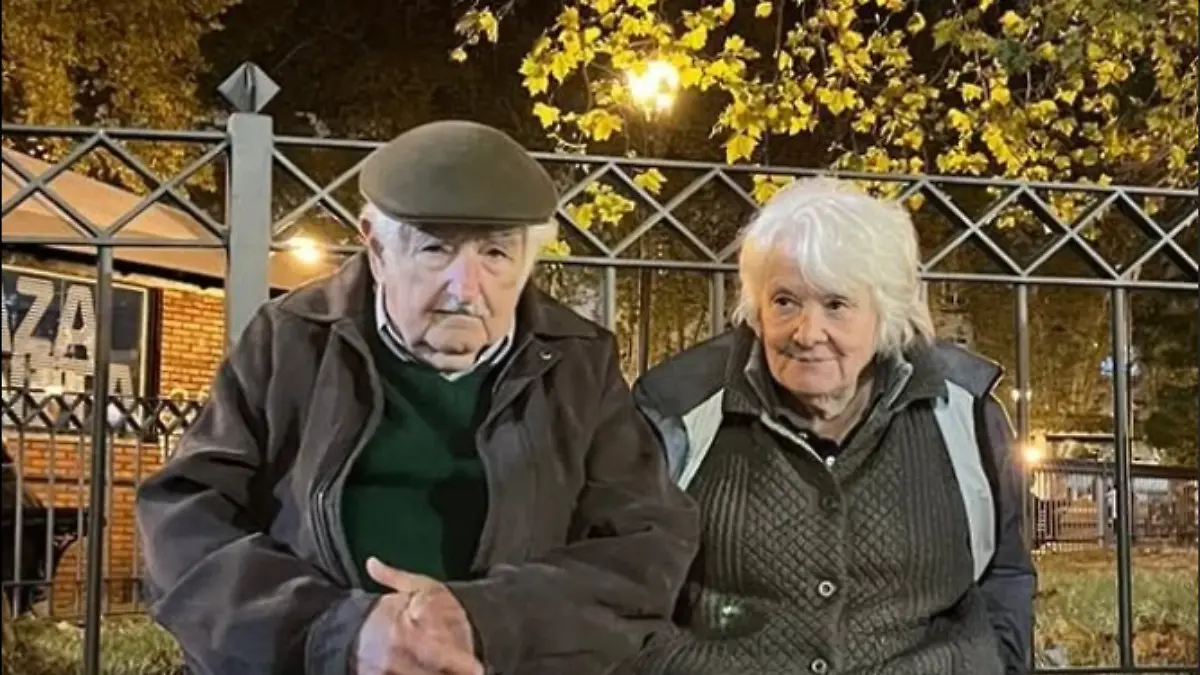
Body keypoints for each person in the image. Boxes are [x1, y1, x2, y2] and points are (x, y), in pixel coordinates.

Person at [136, 120, 700, 675]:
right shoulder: (290, 341)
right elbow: (182, 523)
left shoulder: (578, 362)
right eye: (435, 249)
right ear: (376, 247)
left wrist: (483, 620)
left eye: (496, 254)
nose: (465, 289)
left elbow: (649, 546)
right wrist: (341, 634)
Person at [628, 178, 1036, 675]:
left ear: (885, 312)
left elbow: (1003, 575)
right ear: (757, 309)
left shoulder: (963, 414)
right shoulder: (678, 411)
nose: (807, 332)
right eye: (785, 301)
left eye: (836, 305)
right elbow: (620, 590)